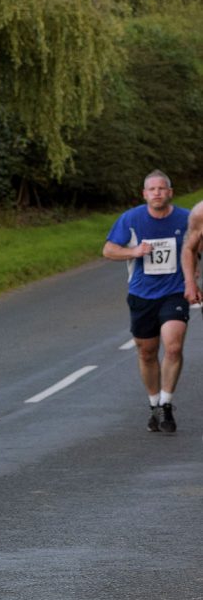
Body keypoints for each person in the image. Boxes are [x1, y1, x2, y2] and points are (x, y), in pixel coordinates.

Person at [103, 170, 190, 433]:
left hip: (174, 292)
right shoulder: (131, 219)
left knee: (173, 346)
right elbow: (108, 250)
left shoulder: (186, 219)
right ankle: (154, 404)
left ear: (170, 192)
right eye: (152, 189)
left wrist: (192, 273)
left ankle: (166, 403)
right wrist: (134, 251)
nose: (157, 193)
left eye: (161, 189)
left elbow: (196, 245)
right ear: (144, 194)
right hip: (142, 294)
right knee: (147, 352)